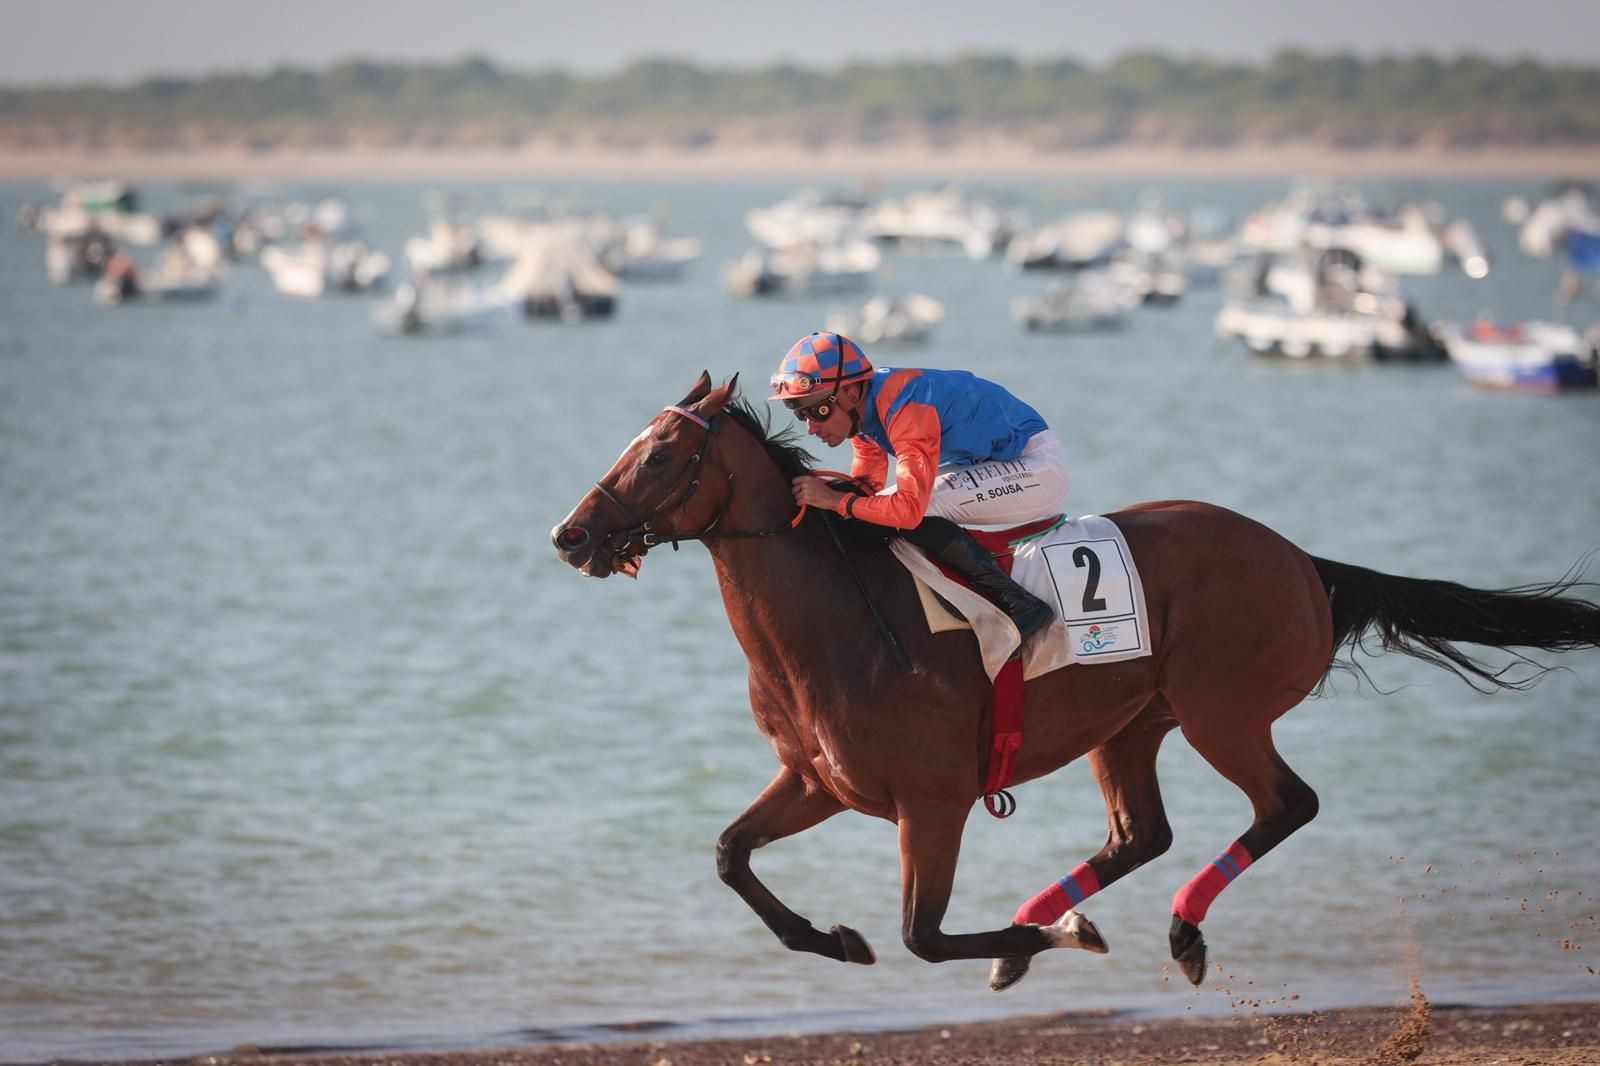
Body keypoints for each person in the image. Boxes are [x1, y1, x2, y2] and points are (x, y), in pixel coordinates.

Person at [770, 331, 1069, 643]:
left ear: (851, 394)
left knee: (919, 509)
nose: (810, 427)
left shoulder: (906, 405)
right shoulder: (862, 418)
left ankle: (1020, 603)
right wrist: (826, 499)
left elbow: (909, 511)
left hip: (1037, 466)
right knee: (870, 513)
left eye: (817, 411)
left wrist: (834, 501)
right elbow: (866, 489)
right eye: (801, 413)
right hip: (988, 463)